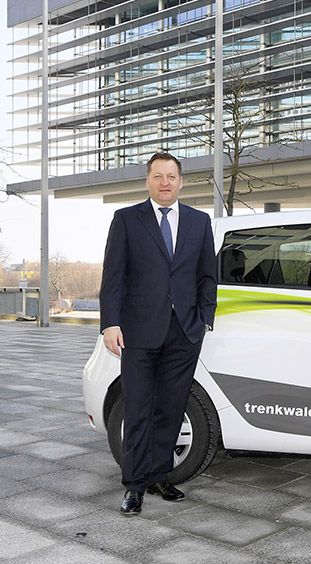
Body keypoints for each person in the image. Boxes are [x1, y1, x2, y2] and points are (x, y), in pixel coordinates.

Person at [99, 152, 217, 516]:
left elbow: (206, 275)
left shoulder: (199, 222)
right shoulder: (126, 220)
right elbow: (113, 275)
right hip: (137, 332)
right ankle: (134, 486)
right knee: (137, 409)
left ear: (181, 181)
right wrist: (110, 323)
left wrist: (204, 319)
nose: (164, 182)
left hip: (184, 332)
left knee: (171, 408)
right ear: (148, 181)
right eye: (157, 176)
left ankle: (159, 475)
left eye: (171, 176)